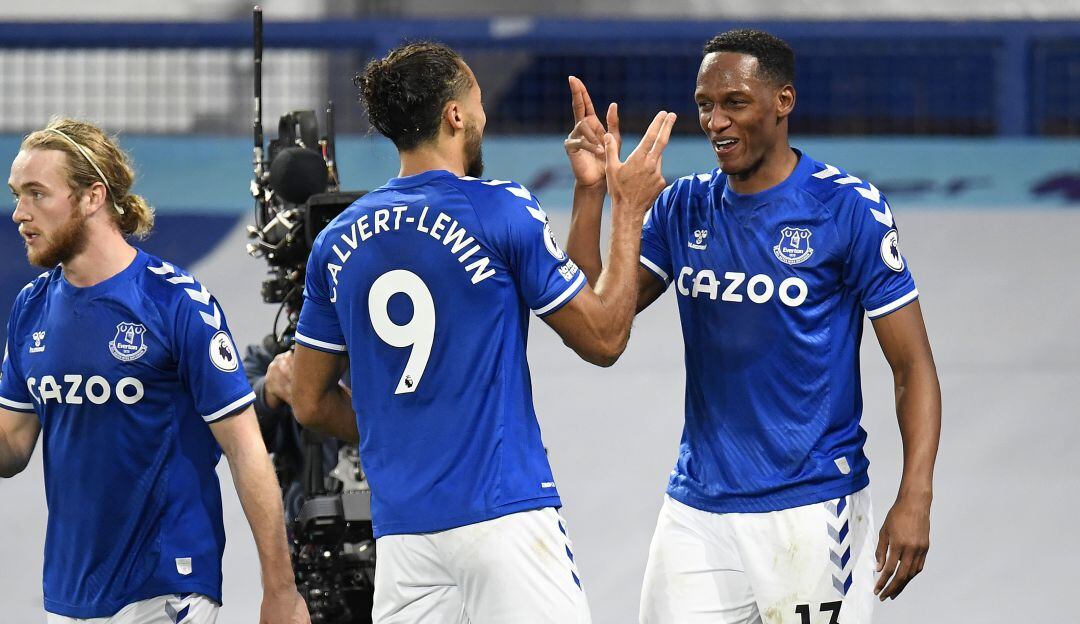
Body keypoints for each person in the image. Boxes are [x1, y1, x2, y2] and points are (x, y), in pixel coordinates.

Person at [562, 29, 942, 623]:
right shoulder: (684, 206)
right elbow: (592, 316)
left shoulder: (847, 209)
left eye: (734, 102)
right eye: (705, 105)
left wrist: (915, 495)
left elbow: (912, 366)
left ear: (782, 102)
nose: (715, 121)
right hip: (698, 510)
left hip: (812, 509)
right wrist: (593, 195)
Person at [289, 42, 675, 623]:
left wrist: (589, 191)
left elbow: (308, 400)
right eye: (478, 102)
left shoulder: (335, 242)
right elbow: (604, 336)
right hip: (505, 521)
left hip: (404, 542)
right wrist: (628, 206)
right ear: (455, 116)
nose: (484, 115)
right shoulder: (499, 210)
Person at [0, 118, 309, 624]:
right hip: (68, 595)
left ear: (92, 196)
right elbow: (11, 446)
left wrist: (280, 590)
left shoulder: (175, 303)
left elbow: (245, 447)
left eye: (37, 194)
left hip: (167, 586)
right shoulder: (30, 308)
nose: (19, 214)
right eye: (17, 195)